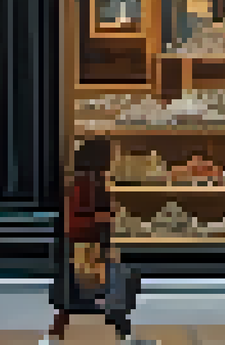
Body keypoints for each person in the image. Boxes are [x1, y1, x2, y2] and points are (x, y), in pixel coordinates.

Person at [48, 137, 142, 344]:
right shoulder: (87, 183)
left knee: (75, 291)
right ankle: (117, 321)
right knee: (115, 280)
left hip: (86, 245)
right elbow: (78, 219)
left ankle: (62, 329)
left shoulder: (88, 181)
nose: (114, 160)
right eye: (110, 156)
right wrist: (105, 217)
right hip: (86, 245)